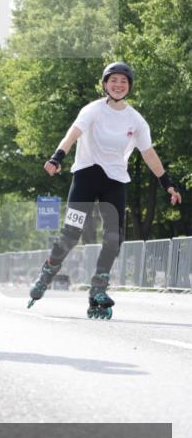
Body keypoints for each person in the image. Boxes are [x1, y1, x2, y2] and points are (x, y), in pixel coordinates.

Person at [28, 62, 182, 318]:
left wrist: (167, 183)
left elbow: (149, 153)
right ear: (105, 84)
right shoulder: (93, 110)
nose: (118, 85)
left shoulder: (136, 120)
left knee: (114, 236)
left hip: (115, 181)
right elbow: (73, 133)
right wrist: (57, 156)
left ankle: (98, 288)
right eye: (114, 81)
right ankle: (48, 270)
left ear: (129, 86)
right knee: (71, 234)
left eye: (123, 81)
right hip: (86, 176)